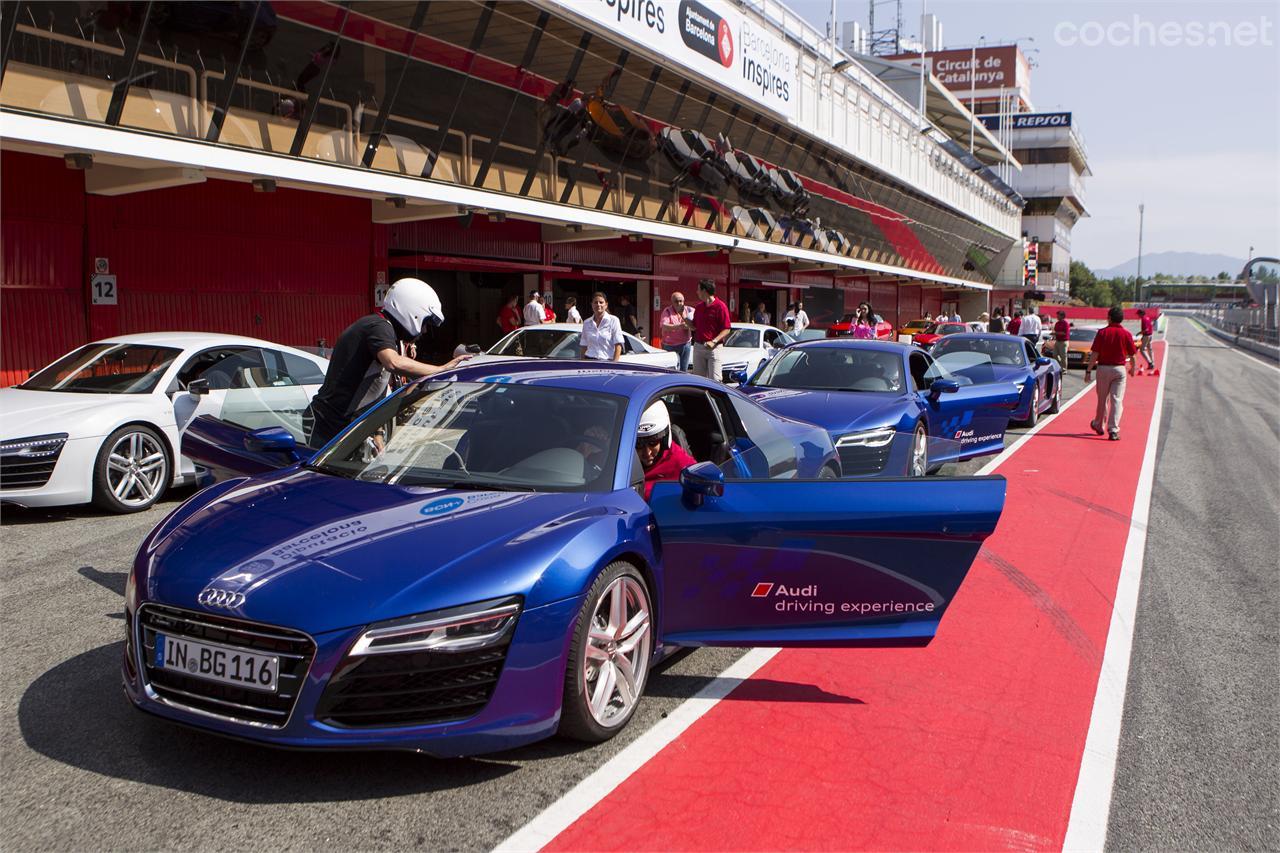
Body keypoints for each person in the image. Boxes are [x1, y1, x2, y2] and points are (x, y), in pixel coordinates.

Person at [303, 278, 471, 447]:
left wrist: (377, 434)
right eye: (426, 322)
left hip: (349, 427)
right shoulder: (378, 326)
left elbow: (378, 389)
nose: (425, 330)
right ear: (413, 311)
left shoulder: (388, 334)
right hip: (328, 424)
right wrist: (441, 369)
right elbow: (393, 362)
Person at [1084, 306, 1138, 441]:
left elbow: (1095, 353)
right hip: (1119, 369)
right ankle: (1113, 430)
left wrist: (1088, 370)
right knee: (1117, 400)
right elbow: (1132, 354)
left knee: (1103, 399)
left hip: (1103, 369)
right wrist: (1133, 368)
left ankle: (1098, 424)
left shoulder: (1102, 333)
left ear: (1109, 318)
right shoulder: (1126, 334)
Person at [636, 400, 696, 500]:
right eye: (638, 445)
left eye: (653, 443)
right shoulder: (620, 455)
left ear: (664, 440)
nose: (647, 453)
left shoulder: (681, 463)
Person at [687, 279, 732, 380]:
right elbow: (694, 327)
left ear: (704, 291)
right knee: (698, 381)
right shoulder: (699, 307)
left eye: (698, 289)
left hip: (714, 348)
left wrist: (714, 341)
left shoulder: (720, 306)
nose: (697, 292)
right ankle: (700, 396)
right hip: (698, 346)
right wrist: (682, 315)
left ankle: (716, 396)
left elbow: (727, 329)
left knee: (715, 379)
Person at [580, 292, 624, 361]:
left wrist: (614, 364)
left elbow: (618, 345)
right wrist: (582, 363)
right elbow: (584, 345)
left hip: (607, 362)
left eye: (601, 302)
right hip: (589, 361)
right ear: (591, 304)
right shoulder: (586, 323)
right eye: (595, 302)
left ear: (606, 305)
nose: (598, 304)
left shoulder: (614, 320)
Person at [659, 291, 694, 371]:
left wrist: (689, 325)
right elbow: (664, 326)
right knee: (670, 370)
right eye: (676, 301)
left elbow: (696, 322)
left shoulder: (689, 310)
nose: (679, 303)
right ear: (672, 302)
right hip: (669, 345)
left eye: (680, 301)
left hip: (685, 344)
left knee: (683, 370)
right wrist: (680, 326)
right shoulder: (667, 311)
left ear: (684, 301)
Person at [1136, 308, 1157, 374]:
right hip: (1150, 335)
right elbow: (1150, 327)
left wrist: (1139, 333)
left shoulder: (1143, 319)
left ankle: (1150, 362)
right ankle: (1152, 362)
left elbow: (1145, 329)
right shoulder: (1148, 318)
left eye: (1138, 314)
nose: (1138, 315)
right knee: (1149, 349)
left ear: (1141, 314)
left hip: (1146, 335)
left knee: (1142, 350)